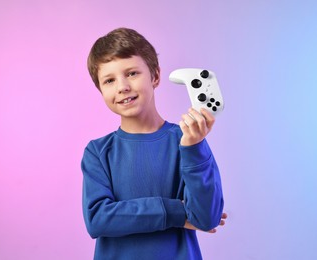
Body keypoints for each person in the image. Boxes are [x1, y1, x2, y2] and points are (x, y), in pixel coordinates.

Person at [81, 27, 225, 260]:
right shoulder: (98, 152)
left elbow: (207, 218)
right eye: (109, 80)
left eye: (132, 73)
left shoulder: (188, 141)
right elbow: (98, 219)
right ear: (101, 90)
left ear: (155, 76)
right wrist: (179, 212)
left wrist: (194, 148)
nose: (122, 87)